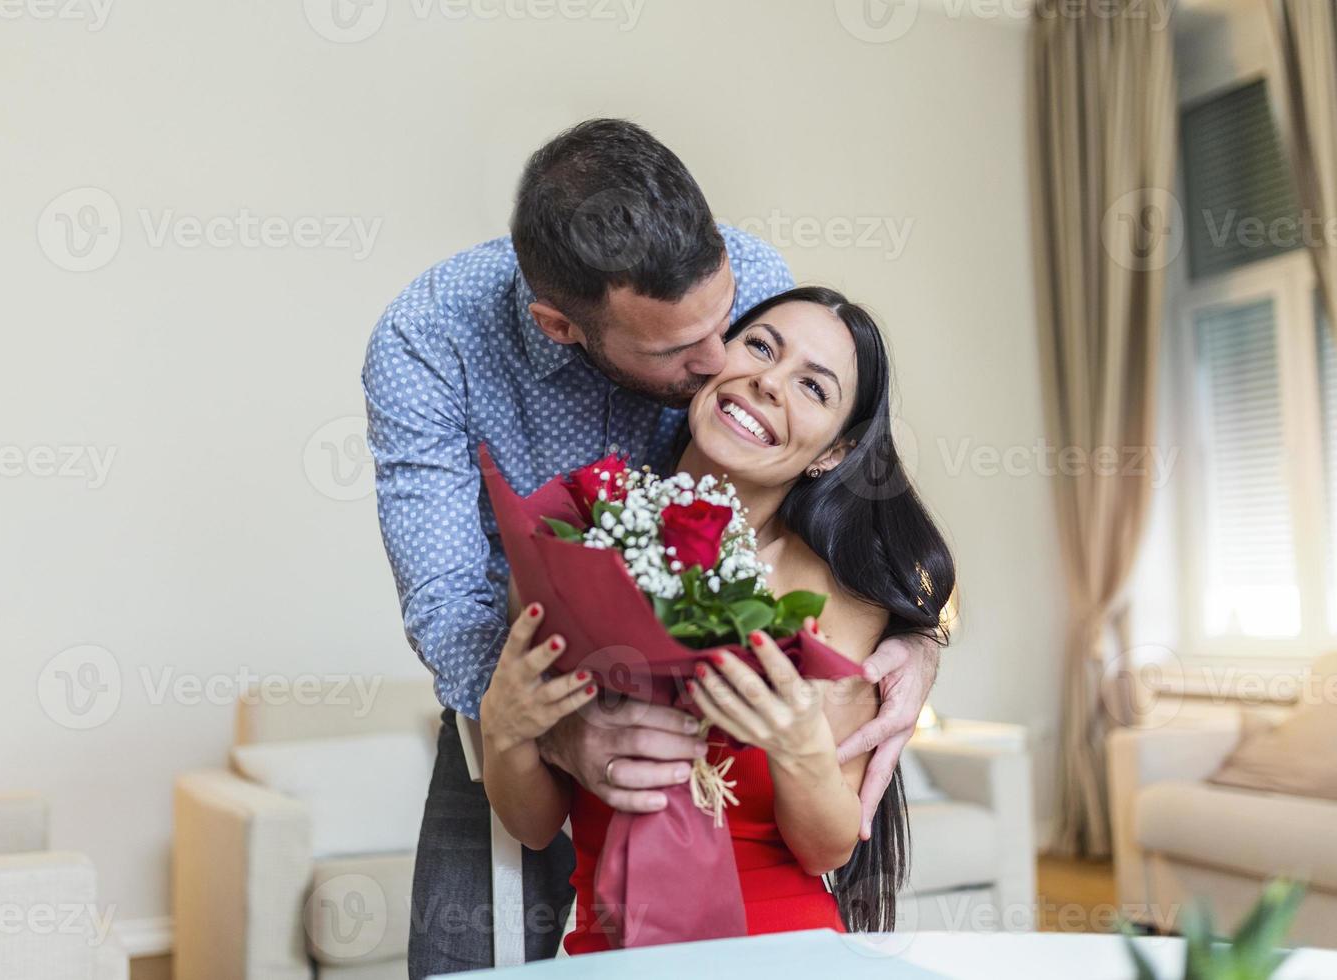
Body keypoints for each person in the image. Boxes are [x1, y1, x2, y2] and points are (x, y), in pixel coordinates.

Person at [363, 120, 940, 974]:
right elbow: (451, 603)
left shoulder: (753, 290)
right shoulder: (429, 342)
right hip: (519, 675)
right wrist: (543, 724)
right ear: (562, 327)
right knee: (457, 958)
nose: (727, 366)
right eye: (681, 349)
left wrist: (921, 635)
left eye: (732, 323)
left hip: (765, 898)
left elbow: (849, 498)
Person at [479, 287, 955, 950]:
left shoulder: (832, 597)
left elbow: (825, 851)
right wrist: (503, 731)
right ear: (713, 357)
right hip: (608, 955)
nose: (767, 381)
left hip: (779, 949)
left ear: (832, 453)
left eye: (812, 388)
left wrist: (799, 747)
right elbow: (534, 825)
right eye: (760, 346)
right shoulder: (578, 538)